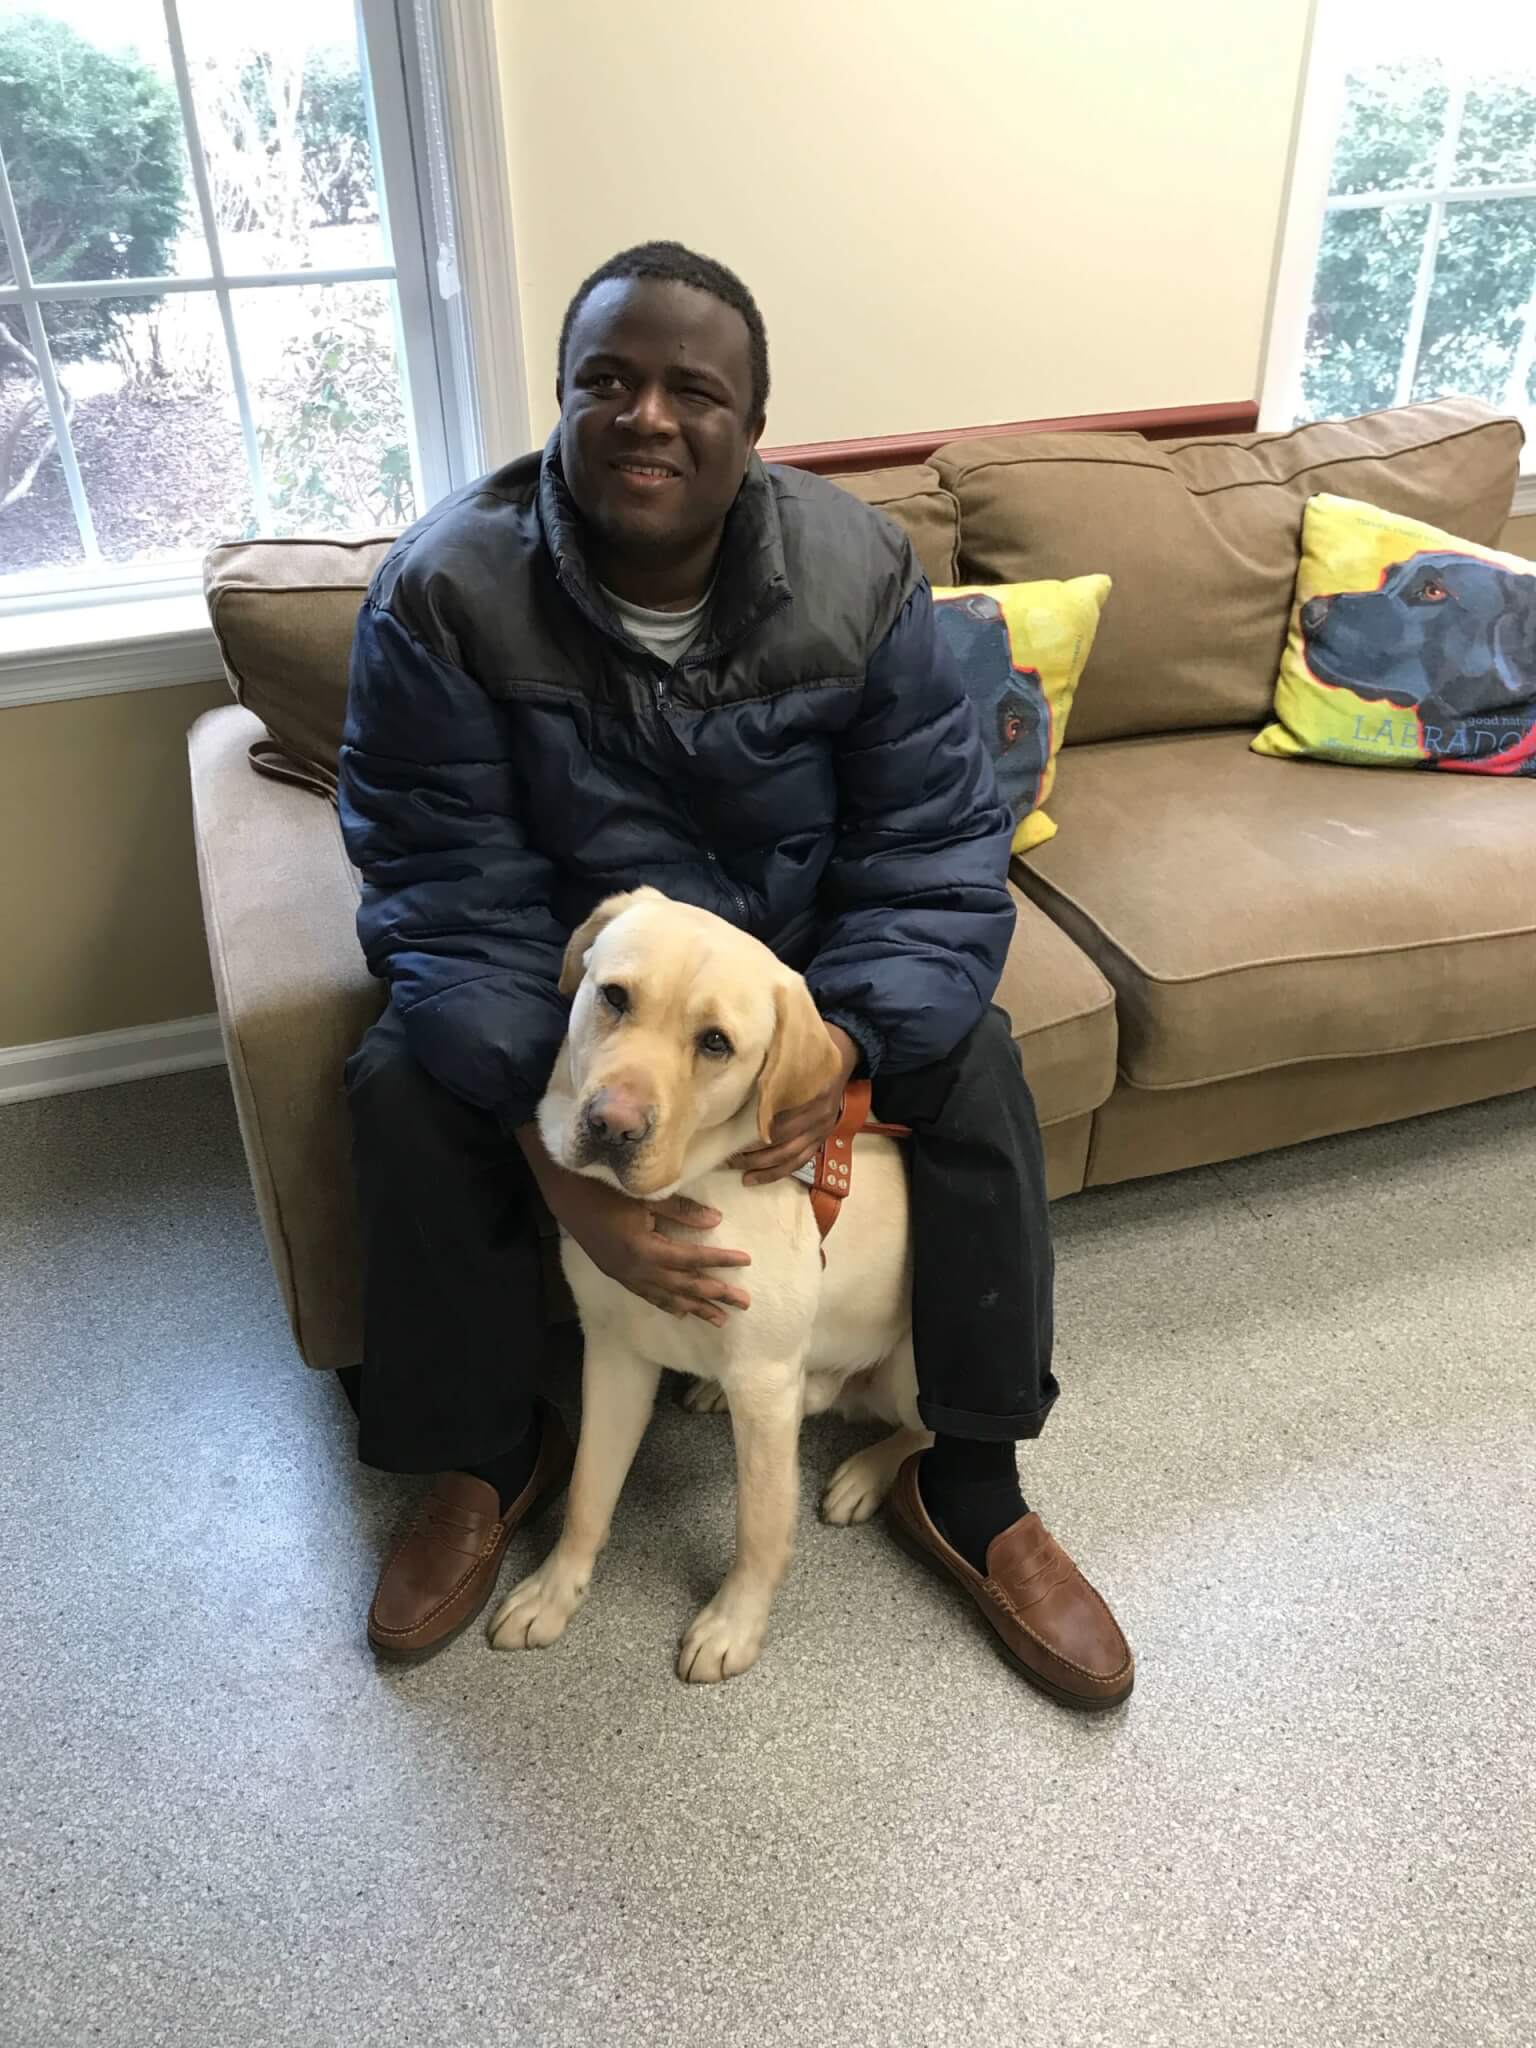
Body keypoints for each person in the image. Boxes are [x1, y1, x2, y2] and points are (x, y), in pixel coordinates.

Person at [338, 241, 1132, 1705]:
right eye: (608, 382)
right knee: (398, 1077)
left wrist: (828, 1058)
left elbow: (933, 850)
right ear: (564, 403)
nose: (647, 414)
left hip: (798, 974)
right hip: (585, 982)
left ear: (752, 430)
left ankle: (971, 1471)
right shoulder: (445, 589)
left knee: (978, 1067)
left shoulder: (860, 570)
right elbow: (448, 898)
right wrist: (574, 1153)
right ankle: (481, 1452)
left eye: (692, 390)